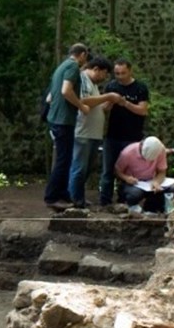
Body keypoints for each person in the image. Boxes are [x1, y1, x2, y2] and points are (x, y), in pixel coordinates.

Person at [68, 57, 123, 207]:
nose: (104, 78)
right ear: (96, 69)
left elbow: (94, 104)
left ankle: (78, 197)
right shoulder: (83, 79)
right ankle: (74, 200)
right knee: (79, 168)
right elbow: (84, 101)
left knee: (85, 169)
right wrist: (108, 96)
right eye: (104, 74)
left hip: (92, 134)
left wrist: (104, 106)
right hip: (83, 133)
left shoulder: (92, 84)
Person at [43, 43, 89, 210]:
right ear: (82, 55)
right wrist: (81, 106)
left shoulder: (60, 67)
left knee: (66, 159)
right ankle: (52, 197)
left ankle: (63, 194)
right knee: (63, 160)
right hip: (63, 121)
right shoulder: (72, 67)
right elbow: (65, 90)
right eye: (86, 57)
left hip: (56, 119)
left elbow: (50, 97)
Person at [99, 58, 150, 206]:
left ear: (130, 71)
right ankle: (105, 201)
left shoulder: (140, 88)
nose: (120, 76)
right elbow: (104, 108)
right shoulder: (111, 86)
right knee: (108, 170)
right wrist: (109, 102)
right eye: (117, 73)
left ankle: (125, 200)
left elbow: (143, 110)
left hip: (133, 137)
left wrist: (125, 103)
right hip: (112, 135)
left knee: (129, 171)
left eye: (123, 73)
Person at [114, 136, 174, 214]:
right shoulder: (128, 153)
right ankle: (131, 206)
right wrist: (126, 178)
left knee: (173, 189)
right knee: (135, 194)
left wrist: (157, 181)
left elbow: (162, 172)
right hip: (133, 183)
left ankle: (152, 208)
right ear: (141, 147)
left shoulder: (161, 151)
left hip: (150, 182)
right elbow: (117, 170)